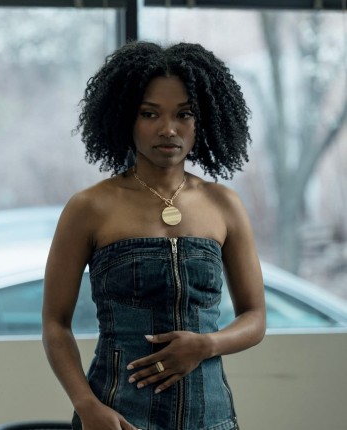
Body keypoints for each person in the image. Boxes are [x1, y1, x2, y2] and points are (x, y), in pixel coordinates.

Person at [42, 41, 266, 430]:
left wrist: (206, 344)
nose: (168, 129)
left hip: (211, 419)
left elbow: (256, 317)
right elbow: (55, 323)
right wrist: (87, 406)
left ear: (203, 120)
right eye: (150, 114)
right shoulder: (89, 208)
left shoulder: (224, 205)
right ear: (125, 119)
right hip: (117, 416)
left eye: (184, 114)